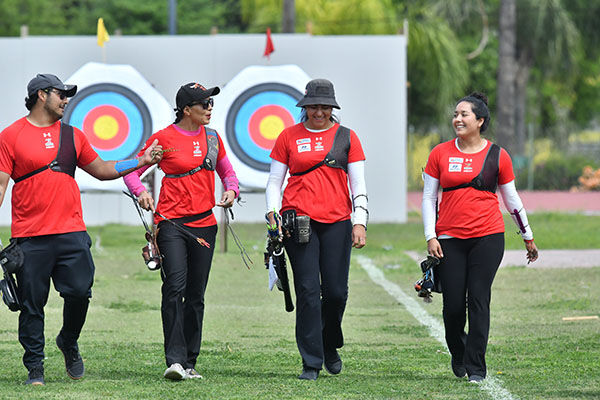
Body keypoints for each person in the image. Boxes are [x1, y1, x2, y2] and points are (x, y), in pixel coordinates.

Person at [0, 73, 163, 386]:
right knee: (32, 305)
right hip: (30, 236)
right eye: (61, 94)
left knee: (79, 292)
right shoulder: (11, 136)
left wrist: (140, 160)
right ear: (40, 96)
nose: (66, 100)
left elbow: (101, 170)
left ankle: (68, 340)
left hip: (71, 231)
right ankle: (35, 369)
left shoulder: (73, 136)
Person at [124, 82, 239, 381]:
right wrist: (141, 193)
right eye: (204, 104)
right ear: (187, 109)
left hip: (205, 225)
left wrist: (232, 189)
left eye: (211, 104)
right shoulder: (163, 138)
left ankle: (190, 361)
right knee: (174, 287)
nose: (210, 109)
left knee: (196, 295)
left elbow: (227, 171)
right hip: (172, 224)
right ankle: (174, 360)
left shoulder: (213, 138)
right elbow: (132, 171)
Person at [421, 92, 539, 384]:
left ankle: (476, 367)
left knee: (478, 299)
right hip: (448, 238)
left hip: (487, 237)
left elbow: (511, 198)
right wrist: (430, 236)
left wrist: (528, 236)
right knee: (451, 308)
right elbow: (428, 198)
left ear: (480, 121)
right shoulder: (439, 153)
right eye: (456, 114)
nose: (458, 119)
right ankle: (459, 352)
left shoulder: (498, 155)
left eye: (465, 115)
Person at [265, 79, 368, 380]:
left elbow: (358, 184)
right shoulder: (288, 136)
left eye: (324, 106)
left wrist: (359, 220)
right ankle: (311, 361)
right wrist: (272, 213)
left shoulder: (347, 138)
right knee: (308, 292)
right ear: (305, 107)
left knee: (336, 292)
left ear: (332, 108)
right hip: (298, 222)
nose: (318, 112)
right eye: (313, 106)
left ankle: (329, 342)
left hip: (337, 221)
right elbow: (274, 182)